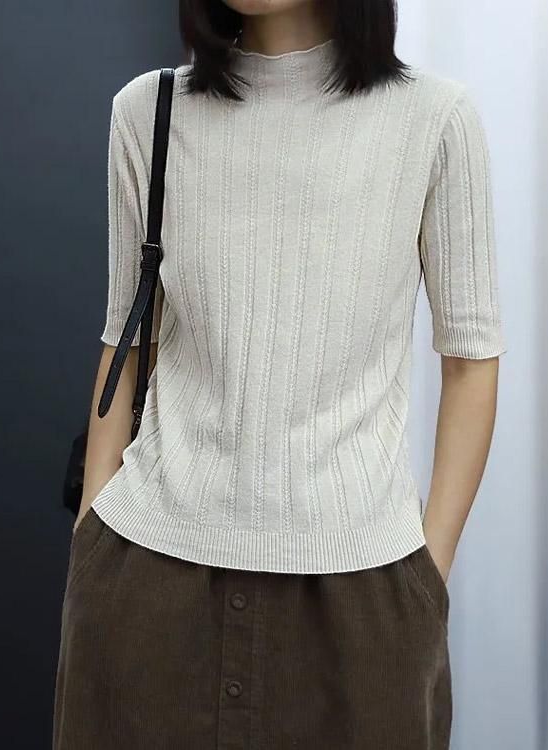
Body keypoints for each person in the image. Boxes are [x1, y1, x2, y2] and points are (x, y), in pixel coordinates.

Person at [52, 1, 507, 748]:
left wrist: (429, 572)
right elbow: (126, 340)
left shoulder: (434, 120)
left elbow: (471, 362)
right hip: (146, 586)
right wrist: (90, 540)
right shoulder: (149, 112)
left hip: (361, 600)